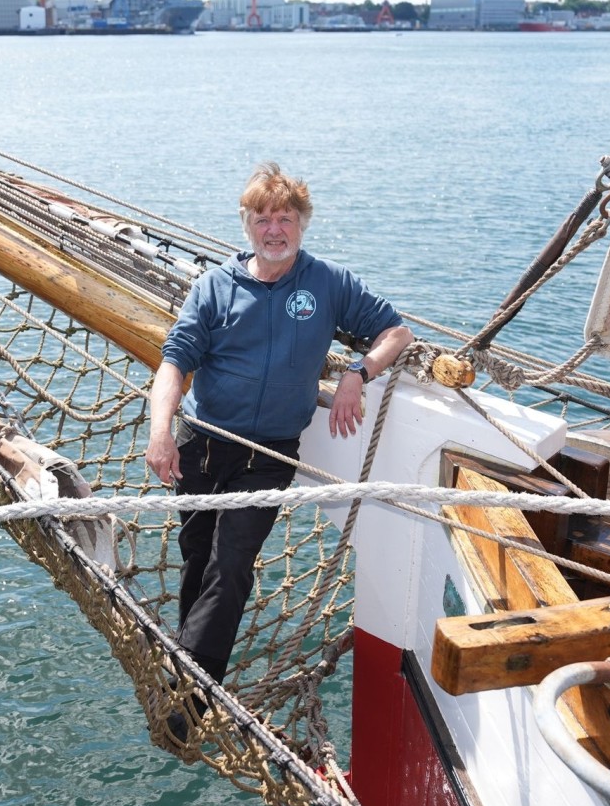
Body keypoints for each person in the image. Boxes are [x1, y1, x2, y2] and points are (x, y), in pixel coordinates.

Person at [145, 162, 414, 694]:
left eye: (285, 218)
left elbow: (396, 332)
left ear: (302, 224)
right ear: (246, 225)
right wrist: (159, 432)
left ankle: (194, 694)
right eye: (263, 218)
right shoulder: (215, 288)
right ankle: (184, 658)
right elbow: (174, 364)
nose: (275, 230)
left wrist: (358, 375)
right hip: (201, 442)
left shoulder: (328, 283)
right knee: (198, 556)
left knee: (231, 564)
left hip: (267, 454)